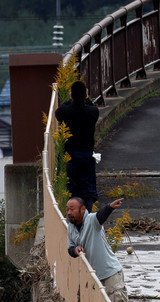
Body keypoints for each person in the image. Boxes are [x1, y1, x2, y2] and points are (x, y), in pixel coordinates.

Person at [66, 196, 132, 302]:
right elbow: (70, 248)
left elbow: (100, 216)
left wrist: (110, 207)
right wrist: (76, 249)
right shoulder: (71, 228)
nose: (68, 213)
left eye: (72, 209)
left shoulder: (91, 221)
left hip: (110, 274)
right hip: (94, 278)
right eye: (67, 209)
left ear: (83, 209)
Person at [55, 80, 100, 211]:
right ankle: (87, 216)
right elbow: (91, 105)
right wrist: (85, 99)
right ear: (86, 95)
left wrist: (71, 99)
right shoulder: (93, 112)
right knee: (88, 189)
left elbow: (60, 110)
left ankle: (72, 215)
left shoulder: (64, 112)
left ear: (71, 95)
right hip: (87, 154)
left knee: (71, 187)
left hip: (69, 155)